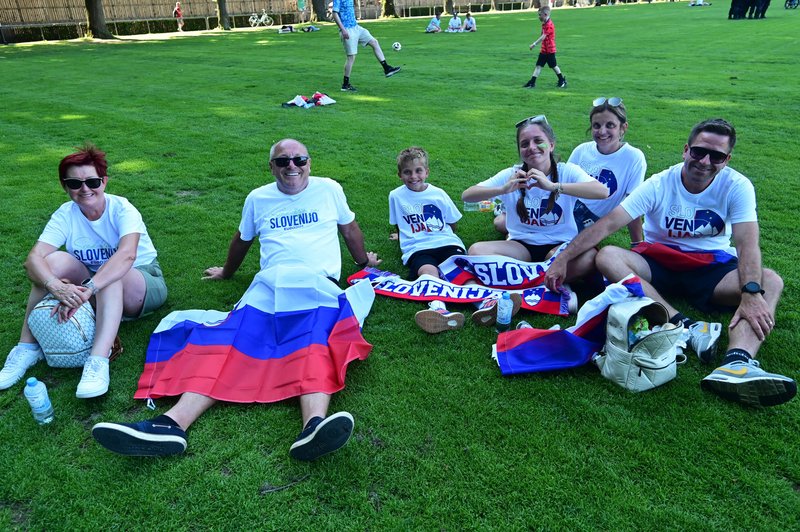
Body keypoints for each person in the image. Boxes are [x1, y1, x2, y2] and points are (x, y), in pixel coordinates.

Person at [91, 139, 383, 459]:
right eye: (283, 161)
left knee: (314, 338)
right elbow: (242, 240)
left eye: (299, 160)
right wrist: (227, 273)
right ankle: (171, 424)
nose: (292, 167)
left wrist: (362, 263)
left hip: (316, 284)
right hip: (268, 286)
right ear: (271, 167)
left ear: (309, 163)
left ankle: (313, 425)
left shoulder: (329, 189)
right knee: (229, 341)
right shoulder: (258, 198)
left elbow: (350, 229)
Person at [545, 119, 796, 408]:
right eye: (699, 151)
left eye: (716, 156)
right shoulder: (660, 183)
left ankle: (736, 364)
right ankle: (686, 326)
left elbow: (747, 243)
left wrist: (752, 293)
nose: (705, 161)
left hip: (711, 268)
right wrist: (563, 258)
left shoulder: (737, 185)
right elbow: (608, 225)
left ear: (727, 160)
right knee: (609, 256)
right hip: (659, 265)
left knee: (771, 281)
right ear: (685, 150)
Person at [0, 143, 167, 398]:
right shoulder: (66, 213)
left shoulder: (122, 208)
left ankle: (97, 361)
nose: (85, 189)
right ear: (65, 187)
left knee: (111, 274)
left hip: (141, 281)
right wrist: (56, 286)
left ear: (104, 181)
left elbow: (127, 255)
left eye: (92, 181)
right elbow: (33, 259)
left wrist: (86, 290)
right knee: (50, 263)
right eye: (75, 184)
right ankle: (27, 347)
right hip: (93, 282)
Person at [461, 115, 608, 281]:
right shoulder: (512, 175)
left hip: (560, 246)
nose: (531, 147)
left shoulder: (567, 171)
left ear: (551, 145)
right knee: (476, 251)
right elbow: (467, 196)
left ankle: (524, 278)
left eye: (538, 141)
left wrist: (553, 186)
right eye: (524, 144)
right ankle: (549, 281)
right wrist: (502, 189)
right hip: (520, 247)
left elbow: (601, 191)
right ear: (520, 151)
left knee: (590, 257)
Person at [567, 97, 646, 244]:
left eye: (610, 125)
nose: (602, 131)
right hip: (566, 211)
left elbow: (633, 205)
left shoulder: (633, 157)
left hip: (590, 221)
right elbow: (561, 186)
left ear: (623, 128)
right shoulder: (581, 151)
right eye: (596, 125)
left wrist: (637, 244)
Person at [389, 147, 465, 281]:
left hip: (447, 243)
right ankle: (437, 301)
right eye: (407, 172)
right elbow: (399, 223)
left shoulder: (438, 194)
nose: (413, 176)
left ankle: (477, 300)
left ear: (427, 172)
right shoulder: (395, 196)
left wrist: (439, 234)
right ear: (399, 175)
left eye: (418, 171)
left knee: (460, 273)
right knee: (428, 273)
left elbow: (452, 224)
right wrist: (404, 235)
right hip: (418, 248)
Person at [332, 0, 401, 92]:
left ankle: (387, 69)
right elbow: (335, 14)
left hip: (356, 27)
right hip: (347, 30)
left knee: (374, 42)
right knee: (351, 57)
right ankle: (345, 85)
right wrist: (343, 29)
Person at [524, 6, 567, 89]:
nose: (539, 17)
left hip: (550, 50)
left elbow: (543, 36)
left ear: (545, 14)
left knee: (554, 66)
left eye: (540, 15)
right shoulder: (544, 23)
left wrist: (534, 44)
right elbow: (542, 33)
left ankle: (562, 80)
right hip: (544, 50)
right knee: (538, 66)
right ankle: (532, 82)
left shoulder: (549, 24)